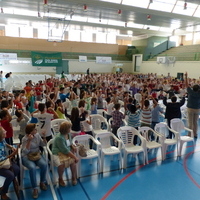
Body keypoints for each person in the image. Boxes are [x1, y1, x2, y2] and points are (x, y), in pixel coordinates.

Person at [21, 123, 48, 199]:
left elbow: (43, 145)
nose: (36, 130)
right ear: (30, 131)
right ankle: (35, 188)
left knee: (44, 165)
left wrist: (44, 137)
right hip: (27, 157)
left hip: (36, 155)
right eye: (35, 129)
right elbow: (25, 152)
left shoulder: (37, 135)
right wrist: (29, 141)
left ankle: (42, 182)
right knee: (32, 168)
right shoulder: (24, 139)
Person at [52, 121, 79, 186]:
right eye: (69, 128)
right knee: (61, 165)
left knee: (73, 163)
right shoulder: (59, 138)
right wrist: (75, 157)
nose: (70, 129)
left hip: (66, 151)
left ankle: (73, 177)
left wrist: (72, 146)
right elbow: (65, 150)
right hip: (58, 153)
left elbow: (69, 143)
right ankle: (60, 178)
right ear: (65, 129)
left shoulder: (68, 134)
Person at [0, 126, 19, 200]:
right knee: (10, 175)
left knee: (17, 169)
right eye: (4, 131)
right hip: (1, 164)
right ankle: (3, 193)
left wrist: (11, 147)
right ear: (1, 134)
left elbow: (5, 144)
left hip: (6, 161)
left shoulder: (2, 139)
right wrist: (11, 155)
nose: (6, 132)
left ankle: (5, 185)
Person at [185, 72, 200, 138]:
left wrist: (186, 77)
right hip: (197, 109)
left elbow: (186, 85)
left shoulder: (191, 92)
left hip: (190, 108)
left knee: (190, 122)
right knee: (195, 122)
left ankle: (189, 134)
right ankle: (195, 134)